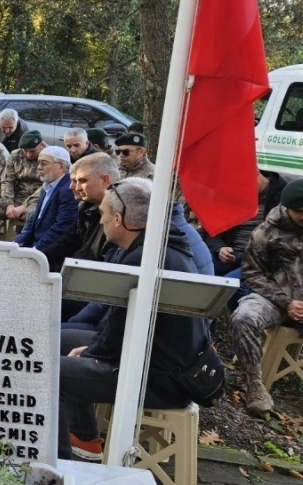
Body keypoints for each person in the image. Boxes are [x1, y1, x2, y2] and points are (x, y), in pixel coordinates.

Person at [58, 179, 211, 461]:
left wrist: (91, 353)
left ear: (118, 219)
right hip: (155, 357)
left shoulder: (144, 259)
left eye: (104, 214)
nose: (101, 220)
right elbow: (120, 327)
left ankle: (59, 470)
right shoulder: (160, 246)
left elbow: (115, 332)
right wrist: (92, 350)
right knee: (60, 338)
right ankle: (86, 438)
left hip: (158, 377)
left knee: (51, 372)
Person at [230, 178, 303, 417]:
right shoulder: (267, 232)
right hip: (275, 300)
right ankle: (254, 384)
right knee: (243, 317)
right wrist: (286, 302)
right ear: (286, 208)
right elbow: (251, 272)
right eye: (300, 212)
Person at [204, 170, 284, 277]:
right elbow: (210, 229)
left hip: (260, 261)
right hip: (229, 255)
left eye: (244, 186)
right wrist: (220, 248)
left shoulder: (283, 196)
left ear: (257, 175)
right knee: (199, 273)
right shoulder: (230, 192)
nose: (241, 191)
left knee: (228, 283)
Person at [14, 146, 77, 268]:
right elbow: (34, 221)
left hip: (50, 253)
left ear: (61, 166)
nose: (39, 167)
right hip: (37, 246)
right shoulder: (48, 185)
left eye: (44, 163)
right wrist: (17, 243)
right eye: (38, 163)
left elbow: (60, 228)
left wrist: (34, 251)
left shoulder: (68, 190)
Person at [0, 130, 44, 239]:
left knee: (33, 214)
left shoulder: (48, 157)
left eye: (32, 151)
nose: (28, 155)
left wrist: (24, 206)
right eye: (25, 151)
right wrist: (9, 204)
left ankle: (25, 245)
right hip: (16, 197)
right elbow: (7, 180)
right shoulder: (15, 155)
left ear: (42, 146)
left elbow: (47, 187)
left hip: (37, 201)